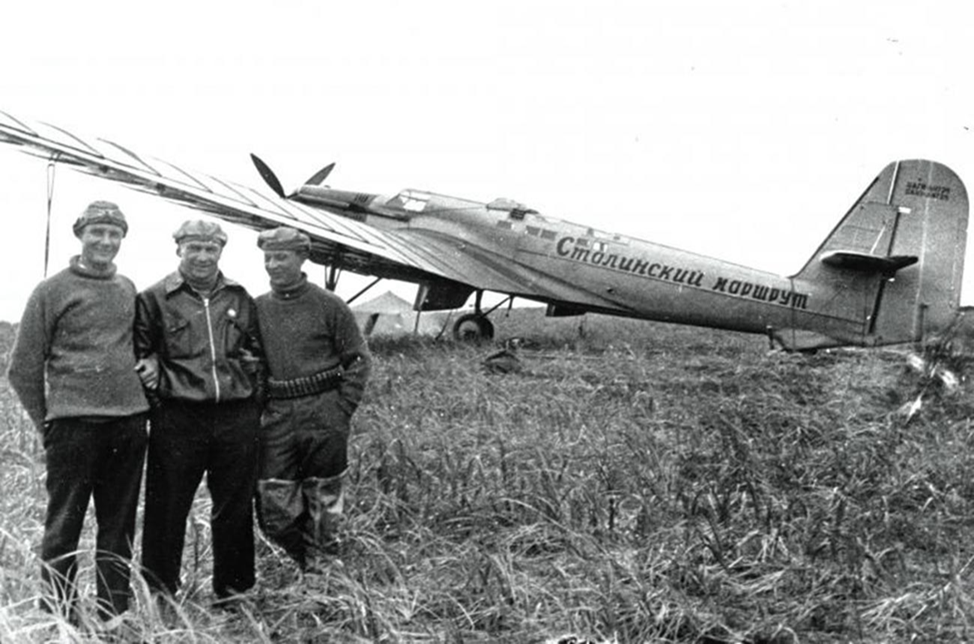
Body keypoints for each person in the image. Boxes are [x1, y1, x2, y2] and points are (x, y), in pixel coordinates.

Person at [7, 201, 149, 620]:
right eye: (96, 233)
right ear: (80, 235)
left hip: (128, 424)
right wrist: (48, 422)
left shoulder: (127, 288)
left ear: (122, 239)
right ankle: (58, 616)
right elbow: (22, 367)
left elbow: (138, 347)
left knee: (119, 524)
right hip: (73, 429)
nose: (105, 241)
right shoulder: (51, 291)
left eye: (114, 234)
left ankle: (113, 613)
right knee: (64, 524)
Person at [133, 219, 264, 605]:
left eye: (211, 249)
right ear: (179, 250)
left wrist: (249, 396)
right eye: (194, 248)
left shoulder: (240, 297)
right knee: (166, 507)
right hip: (179, 418)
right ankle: (160, 593)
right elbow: (141, 356)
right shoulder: (155, 297)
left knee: (235, 508)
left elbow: (253, 352)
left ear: (221, 251)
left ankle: (233, 592)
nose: (203, 256)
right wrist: (164, 403)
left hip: (235, 417)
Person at [253, 226, 371, 573]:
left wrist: (342, 408)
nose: (274, 265)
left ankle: (322, 568)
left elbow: (359, 359)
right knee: (274, 502)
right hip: (277, 414)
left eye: (282, 257)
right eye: (268, 258)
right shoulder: (258, 308)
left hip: (324, 410)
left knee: (324, 494)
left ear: (302, 258)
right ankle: (298, 556)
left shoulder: (329, 305)